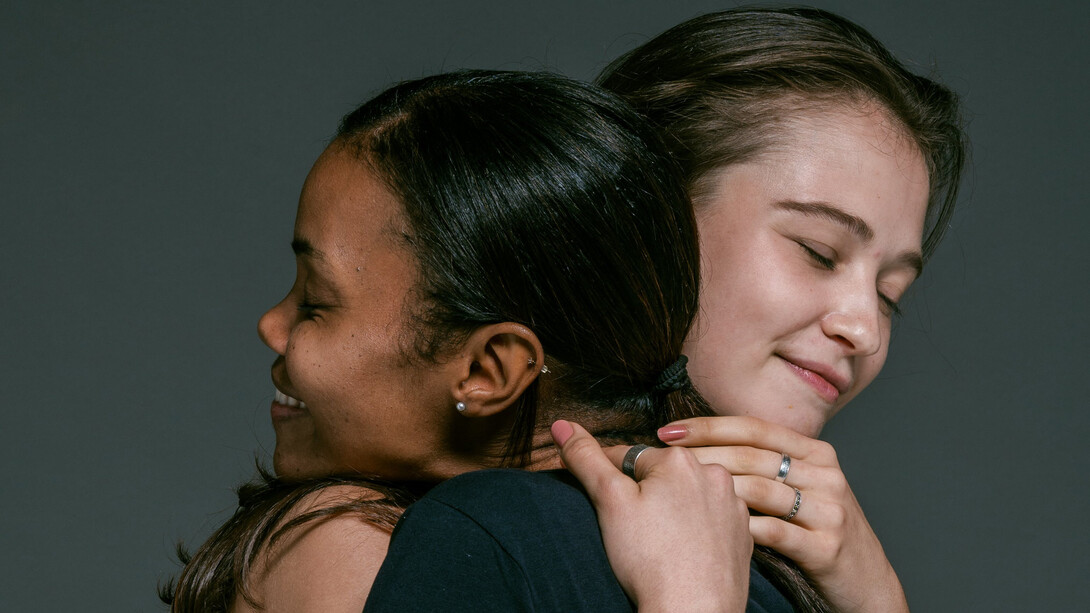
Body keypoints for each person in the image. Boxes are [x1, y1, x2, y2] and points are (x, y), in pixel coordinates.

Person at [367, 7, 966, 613]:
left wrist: (879, 601)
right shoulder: (492, 539)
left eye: (891, 295)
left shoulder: (816, 581)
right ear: (651, 217)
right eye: (818, 251)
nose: (865, 329)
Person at [162, 70, 758, 612]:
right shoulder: (754, 544)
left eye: (317, 302)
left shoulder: (428, 539)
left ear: (488, 372)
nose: (271, 324)